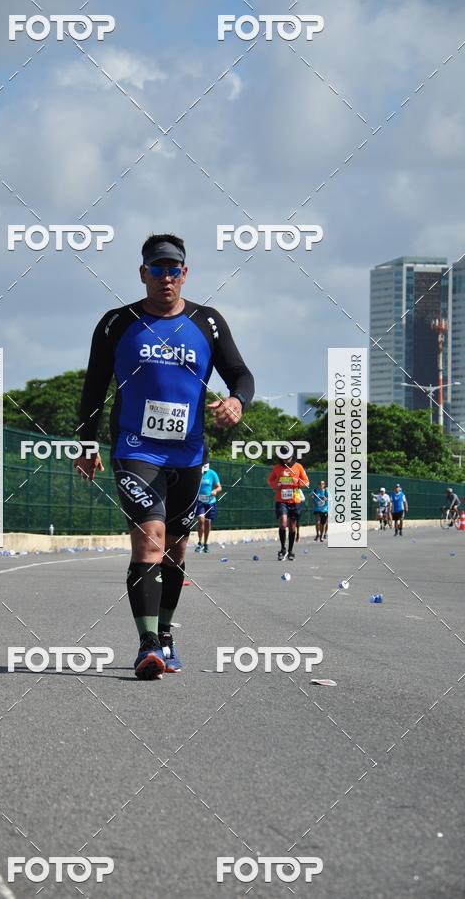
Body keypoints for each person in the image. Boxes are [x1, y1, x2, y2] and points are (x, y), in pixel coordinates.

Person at [75, 233, 254, 680]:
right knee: (150, 539)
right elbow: (93, 388)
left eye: (173, 269)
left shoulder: (207, 322)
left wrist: (237, 401)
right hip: (135, 448)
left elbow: (240, 374)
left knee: (175, 547)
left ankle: (166, 633)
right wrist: (86, 444)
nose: (166, 277)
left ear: (185, 273)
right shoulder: (117, 323)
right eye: (157, 269)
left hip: (188, 454)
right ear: (144, 274)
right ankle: (148, 644)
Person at [267, 452, 310, 561]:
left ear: (292, 456)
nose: (286, 460)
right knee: (283, 523)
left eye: (288, 458)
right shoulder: (277, 467)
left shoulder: (298, 466)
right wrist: (276, 485)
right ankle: (282, 549)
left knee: (292, 526)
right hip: (281, 500)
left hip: (295, 500)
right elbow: (270, 480)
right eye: (284, 458)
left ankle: (290, 551)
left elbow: (306, 482)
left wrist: (297, 482)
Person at [195, 461, 222, 553]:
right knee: (201, 519)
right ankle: (199, 543)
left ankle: (205, 543)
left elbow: (219, 487)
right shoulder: (197, 473)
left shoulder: (212, 473)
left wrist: (215, 491)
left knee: (207, 522)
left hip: (210, 501)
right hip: (200, 501)